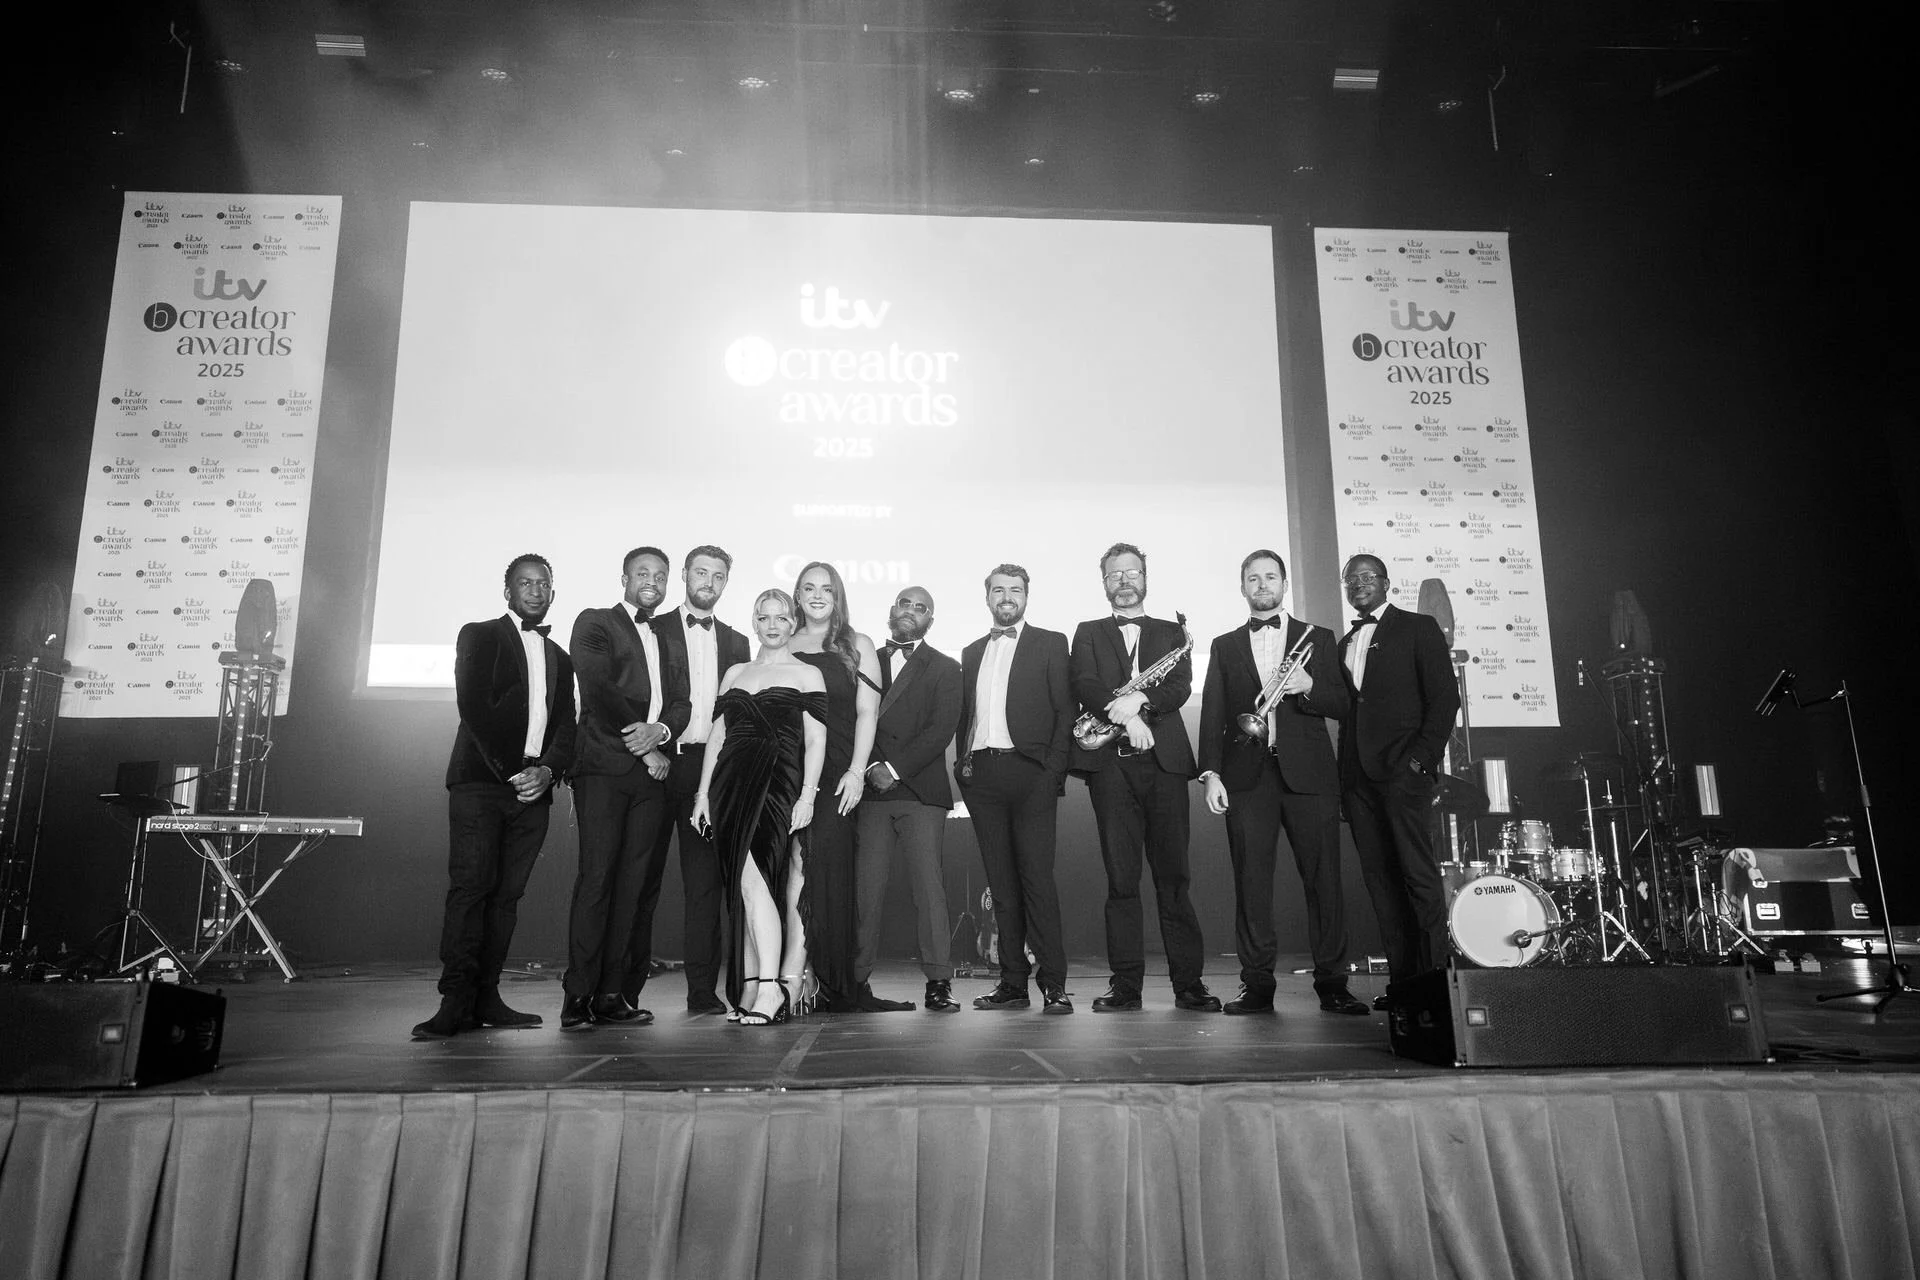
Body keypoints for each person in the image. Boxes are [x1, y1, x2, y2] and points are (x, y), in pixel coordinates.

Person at [412, 554, 576, 1040]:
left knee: (507, 898)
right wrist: (514, 774)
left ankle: (487, 996)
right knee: (471, 890)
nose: (534, 590)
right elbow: (475, 708)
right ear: (507, 592)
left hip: (535, 792)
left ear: (552, 593)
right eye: (524, 583)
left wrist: (547, 771)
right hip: (482, 785)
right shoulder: (479, 634)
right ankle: (455, 1001)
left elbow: (567, 726)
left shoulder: (560, 658)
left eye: (543, 584)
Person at [1196, 550, 1366, 1016]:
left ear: (1285, 584)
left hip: (1309, 777)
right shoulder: (1225, 644)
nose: (1262, 584)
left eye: (1270, 577)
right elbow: (1212, 713)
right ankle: (1256, 986)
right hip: (1248, 777)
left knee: (1324, 882)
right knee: (1251, 884)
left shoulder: (1320, 638)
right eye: (1253, 578)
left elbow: (1342, 703)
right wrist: (1210, 773)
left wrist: (1308, 684)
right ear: (1243, 587)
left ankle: (1333, 983)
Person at [1070, 542, 1219, 1013]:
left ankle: (1188, 985)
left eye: (1132, 572)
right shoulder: (1088, 631)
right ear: (1105, 582)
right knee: (1121, 880)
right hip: (1111, 769)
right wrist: (1126, 717)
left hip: (1166, 766)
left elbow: (1179, 685)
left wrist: (1143, 707)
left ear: (1145, 577)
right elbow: (1085, 683)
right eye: (1115, 574)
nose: (1125, 580)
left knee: (1174, 878)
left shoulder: (1172, 631)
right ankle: (1126, 986)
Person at [560, 546, 690, 1030]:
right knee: (598, 881)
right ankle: (578, 995)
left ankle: (612, 994)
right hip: (605, 769)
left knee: (634, 889)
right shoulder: (595, 622)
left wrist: (664, 733)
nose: (651, 580)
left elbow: (682, 701)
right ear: (624, 578)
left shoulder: (669, 637)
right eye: (642, 573)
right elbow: (597, 691)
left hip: (654, 777)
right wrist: (645, 744)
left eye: (660, 574)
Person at [690, 589, 826, 1025]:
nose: (772, 624)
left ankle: (771, 990)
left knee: (756, 881)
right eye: (763, 616)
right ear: (754, 620)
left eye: (781, 617)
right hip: (729, 785)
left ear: (792, 623)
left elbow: (817, 741)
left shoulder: (807, 674)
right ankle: (750, 986)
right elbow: (716, 736)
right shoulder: (734, 672)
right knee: (745, 888)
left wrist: (807, 795)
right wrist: (702, 795)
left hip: (776, 782)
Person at [1336, 553, 1461, 994]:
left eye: (1368, 577)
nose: (1359, 583)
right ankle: (1405, 988)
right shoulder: (1345, 642)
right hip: (1359, 782)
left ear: (1387, 584)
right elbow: (1354, 714)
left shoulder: (1418, 627)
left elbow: (1446, 700)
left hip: (1403, 774)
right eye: (1352, 579)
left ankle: (1434, 984)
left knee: (1417, 877)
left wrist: (1419, 763)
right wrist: (1343, 784)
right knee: (1381, 885)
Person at [957, 564, 1076, 1013]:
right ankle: (1011, 982)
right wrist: (962, 768)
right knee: (1001, 887)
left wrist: (1052, 773)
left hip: (1032, 776)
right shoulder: (970, 652)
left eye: (1015, 590)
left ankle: (1054, 984)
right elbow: (965, 718)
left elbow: (1066, 711)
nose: (1007, 597)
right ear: (987, 597)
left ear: (1027, 596)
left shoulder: (1050, 642)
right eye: (999, 590)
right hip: (983, 777)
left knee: (1036, 883)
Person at [647, 546, 751, 1015]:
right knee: (638, 881)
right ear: (685, 575)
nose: (709, 581)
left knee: (705, 886)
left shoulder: (737, 641)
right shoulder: (654, 627)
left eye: (719, 576)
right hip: (655, 764)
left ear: (726, 584)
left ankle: (702, 992)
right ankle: (618, 994)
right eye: (702, 572)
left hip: (711, 773)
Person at [856, 586, 965, 1012]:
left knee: (929, 891)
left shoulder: (946, 667)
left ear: (930, 622)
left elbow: (941, 730)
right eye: (905, 603)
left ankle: (939, 982)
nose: (911, 611)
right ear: (891, 610)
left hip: (920, 790)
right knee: (866, 890)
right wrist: (870, 770)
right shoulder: (865, 659)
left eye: (921, 608)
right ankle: (856, 981)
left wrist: (893, 769)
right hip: (868, 791)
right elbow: (852, 719)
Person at [787, 561, 886, 1012]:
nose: (817, 595)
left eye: (826, 588)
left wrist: (857, 770)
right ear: (798, 595)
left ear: (838, 594)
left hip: (837, 775)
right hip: (786, 771)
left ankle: (829, 982)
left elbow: (868, 713)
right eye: (808, 588)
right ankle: (793, 979)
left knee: (823, 873)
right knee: (788, 875)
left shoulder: (857, 644)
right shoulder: (782, 642)